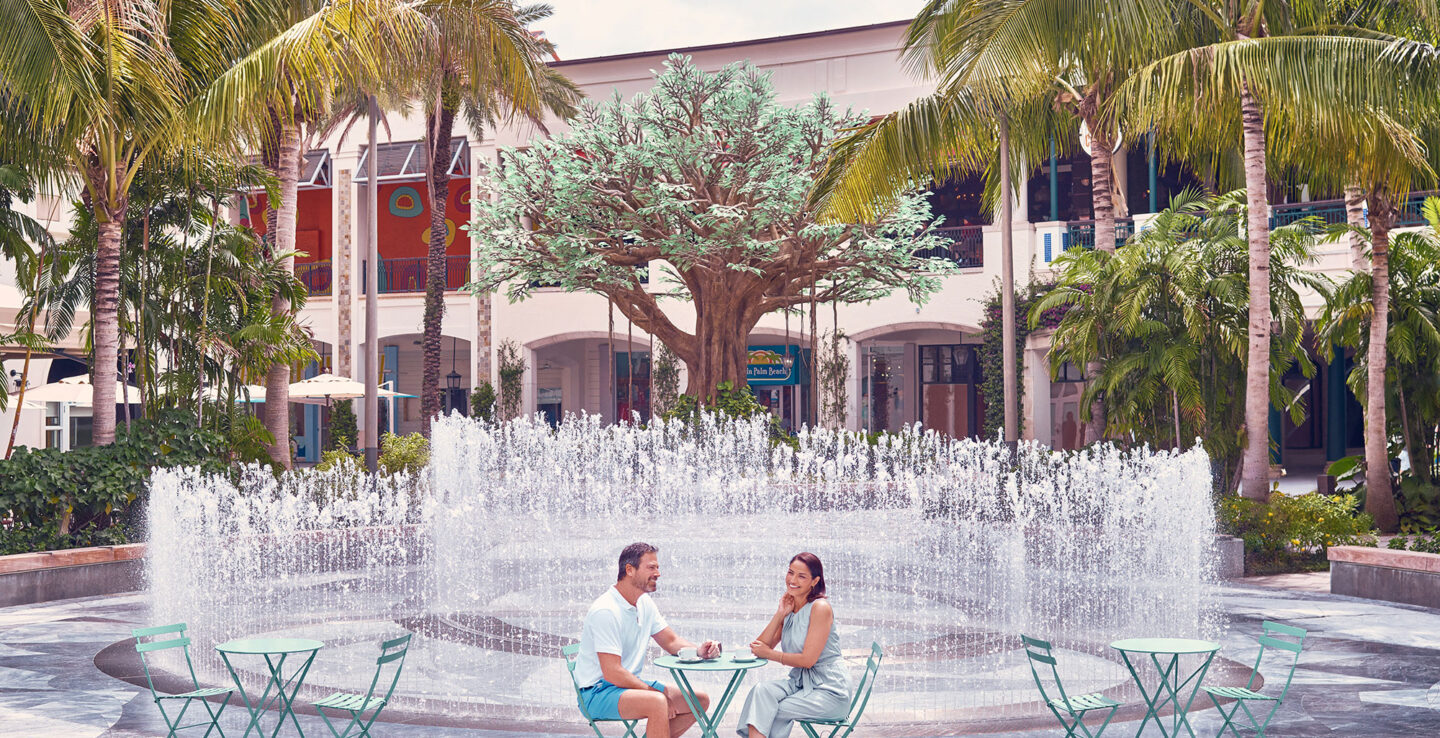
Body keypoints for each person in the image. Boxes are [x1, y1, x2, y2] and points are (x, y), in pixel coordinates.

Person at [575, 542, 717, 738]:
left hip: (628, 686)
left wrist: (700, 651)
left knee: (698, 700)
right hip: (597, 693)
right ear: (630, 570)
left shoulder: (644, 603)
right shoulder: (606, 610)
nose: (658, 573)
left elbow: (671, 641)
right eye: (651, 567)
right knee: (657, 702)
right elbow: (612, 672)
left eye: (657, 567)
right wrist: (654, 693)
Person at [734, 553, 850, 738]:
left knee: (771, 709)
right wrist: (780, 614)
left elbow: (807, 660)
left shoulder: (820, 608)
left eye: (801, 576)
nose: (792, 580)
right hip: (801, 685)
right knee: (761, 692)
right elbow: (760, 647)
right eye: (790, 573)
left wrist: (770, 654)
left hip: (829, 690)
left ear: (815, 581)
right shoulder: (791, 606)